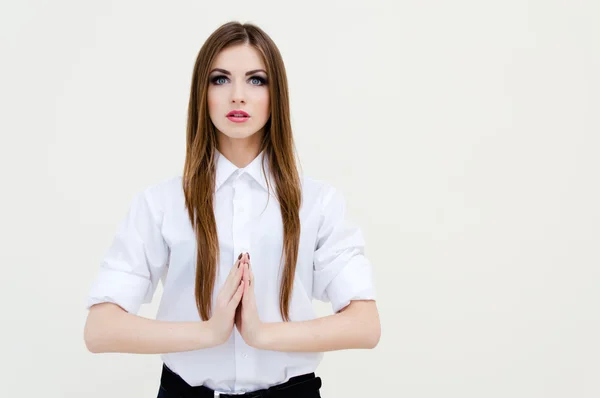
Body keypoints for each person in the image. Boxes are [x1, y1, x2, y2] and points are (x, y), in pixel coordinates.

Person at [83, 21, 380, 398]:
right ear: (201, 93)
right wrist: (209, 331)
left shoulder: (318, 203)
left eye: (256, 80)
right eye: (220, 79)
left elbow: (366, 325)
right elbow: (100, 329)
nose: (237, 95)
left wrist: (262, 334)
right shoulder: (160, 203)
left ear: (276, 95)